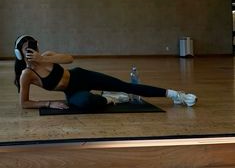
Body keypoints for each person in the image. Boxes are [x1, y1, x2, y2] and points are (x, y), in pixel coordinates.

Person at [14, 35, 197, 110]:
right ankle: (114, 98)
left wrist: (43, 59)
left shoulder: (46, 56)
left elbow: (70, 58)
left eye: (31, 46)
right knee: (85, 102)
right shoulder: (27, 74)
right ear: (19, 54)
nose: (29, 51)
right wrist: (50, 103)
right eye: (25, 49)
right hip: (71, 91)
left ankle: (175, 95)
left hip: (80, 75)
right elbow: (24, 103)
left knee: (124, 85)